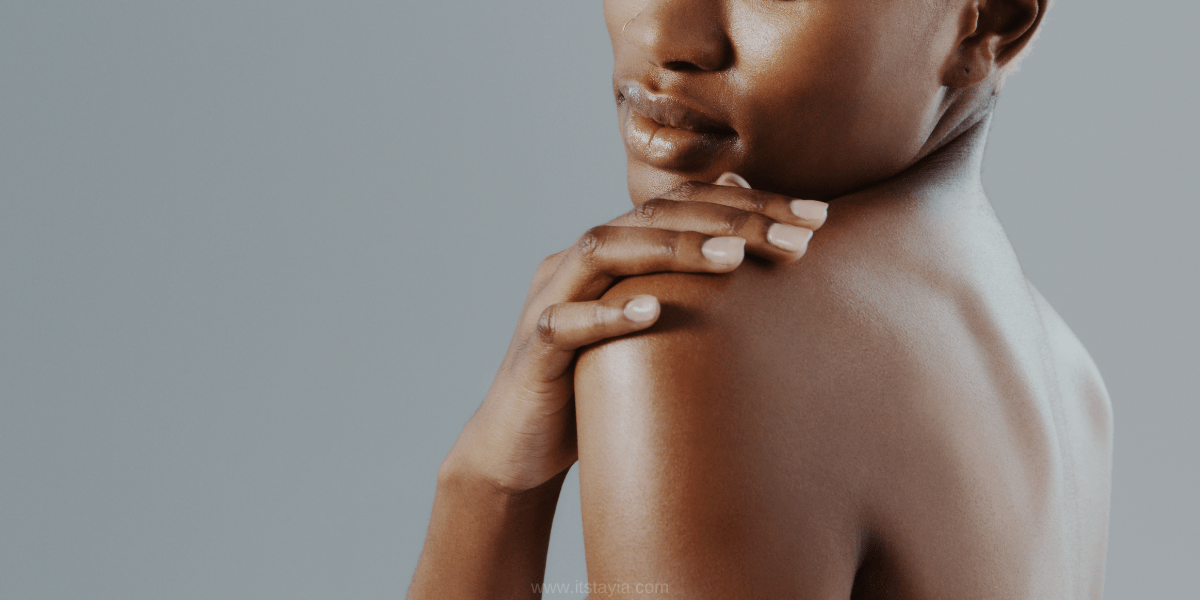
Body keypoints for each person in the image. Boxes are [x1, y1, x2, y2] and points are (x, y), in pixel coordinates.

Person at [408, 0, 1112, 597]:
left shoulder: (698, 328)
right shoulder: (1073, 383)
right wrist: (491, 479)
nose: (664, 39)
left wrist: (484, 491)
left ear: (992, 18)